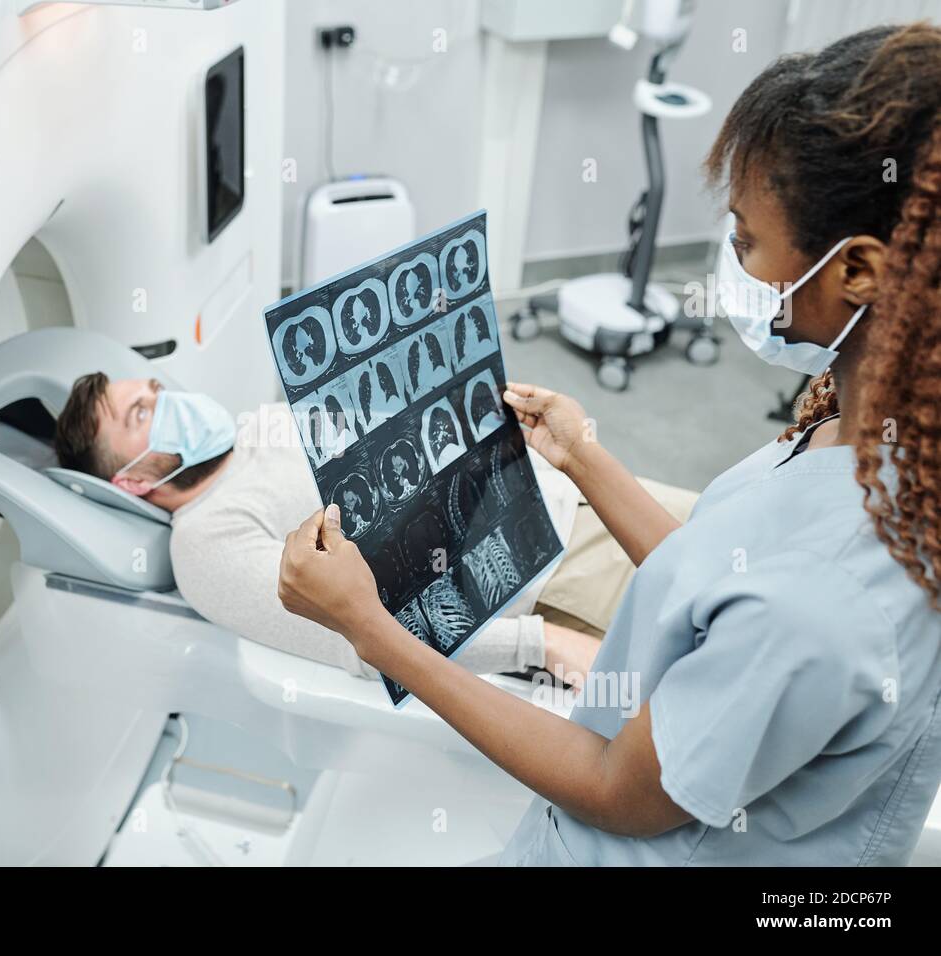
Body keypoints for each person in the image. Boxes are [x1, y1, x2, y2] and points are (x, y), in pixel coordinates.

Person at [277, 23, 941, 865]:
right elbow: (722, 587)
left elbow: (613, 789)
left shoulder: (830, 592)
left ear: (859, 273)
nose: (730, 264)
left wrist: (368, 627)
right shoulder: (874, 437)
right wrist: (583, 457)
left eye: (744, 241)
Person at [53, 376, 697, 685]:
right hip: (547, 573)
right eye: (142, 413)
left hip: (567, 486)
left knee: (749, 527)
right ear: (132, 481)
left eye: (157, 390)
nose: (169, 404)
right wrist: (542, 643)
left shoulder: (263, 422)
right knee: (739, 622)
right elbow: (359, 638)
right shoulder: (205, 542)